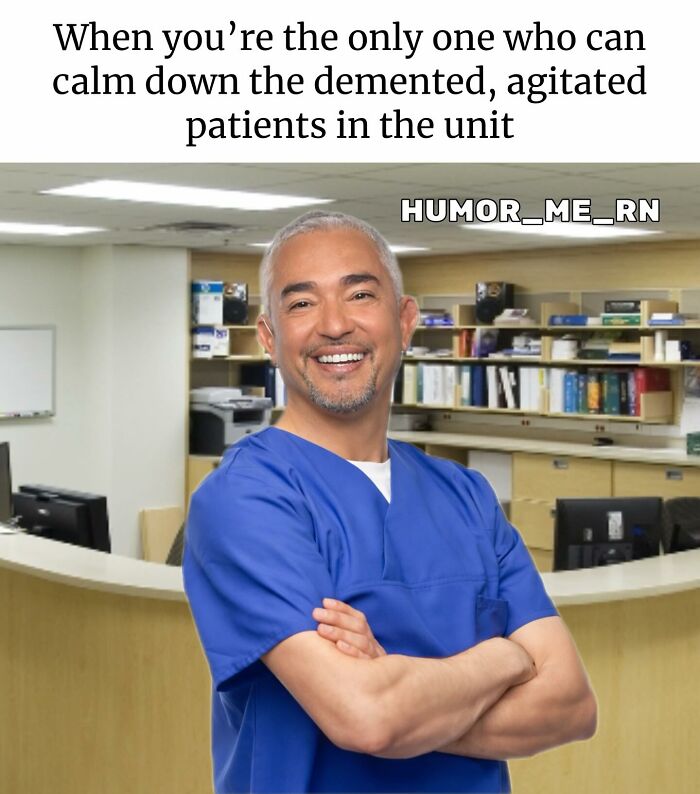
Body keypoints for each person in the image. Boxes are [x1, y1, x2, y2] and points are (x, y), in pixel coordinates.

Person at [183, 210, 597, 794]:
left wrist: (406, 698)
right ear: (270, 338)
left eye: (359, 294)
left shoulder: (467, 495)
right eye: (301, 304)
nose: (334, 325)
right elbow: (369, 719)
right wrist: (503, 659)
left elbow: (571, 707)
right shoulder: (246, 499)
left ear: (405, 322)